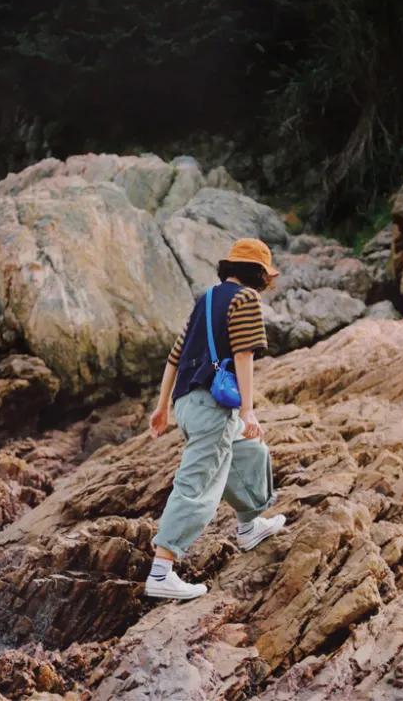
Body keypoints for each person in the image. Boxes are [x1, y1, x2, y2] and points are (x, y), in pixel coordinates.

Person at [144, 238, 287, 600]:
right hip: (212, 406)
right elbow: (243, 355)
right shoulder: (246, 299)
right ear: (258, 274)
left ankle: (249, 526)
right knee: (197, 485)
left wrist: (162, 408)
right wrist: (248, 409)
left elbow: (174, 358)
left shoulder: (205, 300)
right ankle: (161, 570)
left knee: (249, 450)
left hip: (187, 404)